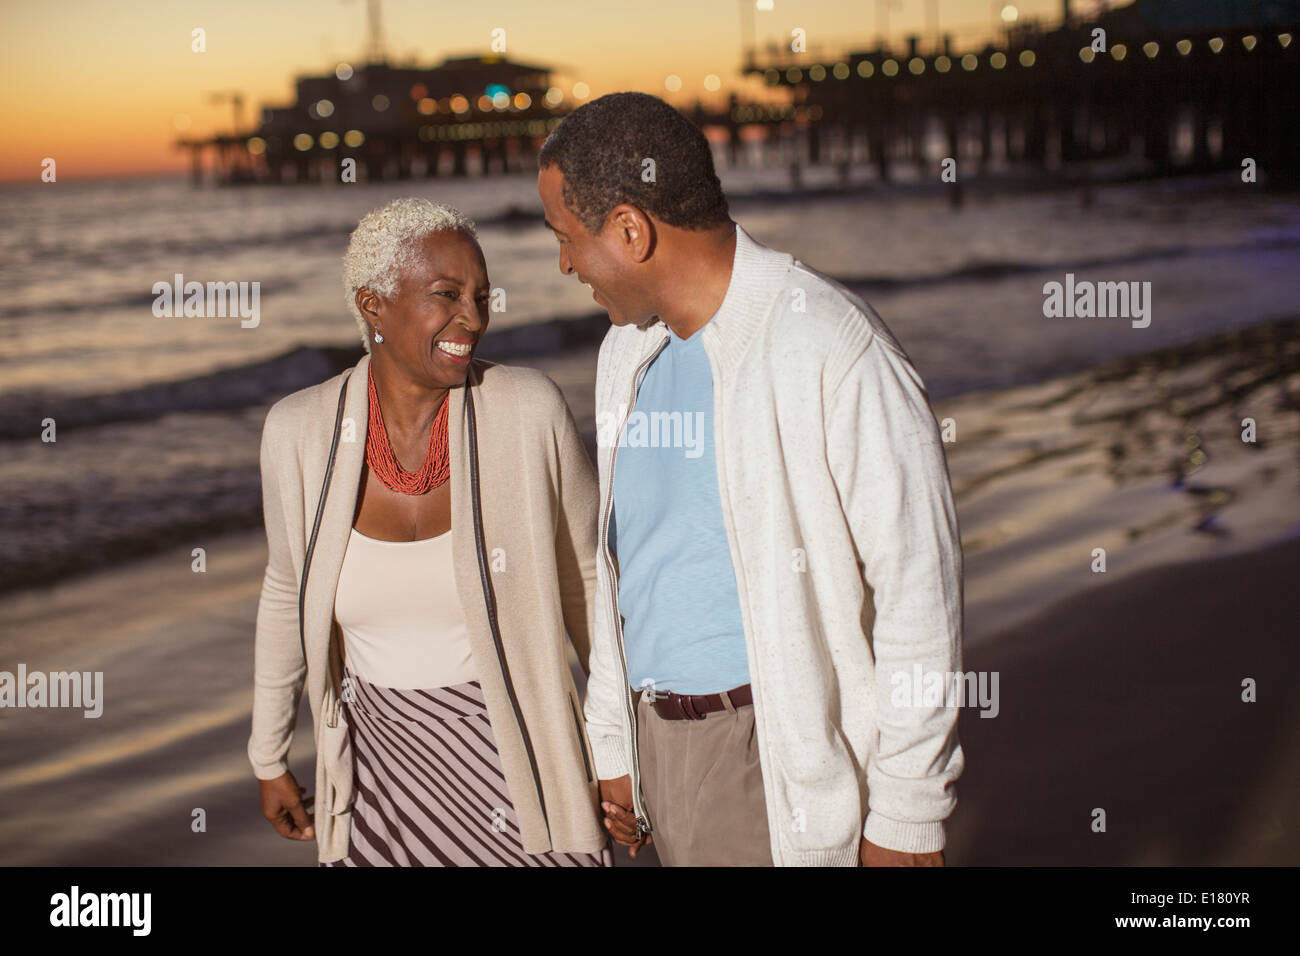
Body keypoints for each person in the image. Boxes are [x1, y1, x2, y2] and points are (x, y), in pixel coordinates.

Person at [537, 92, 966, 867]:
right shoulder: (625, 356)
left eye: (567, 238)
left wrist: (907, 812)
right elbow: (627, 576)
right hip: (660, 747)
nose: (565, 265)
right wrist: (616, 745)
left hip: (774, 756)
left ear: (630, 230)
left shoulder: (831, 347)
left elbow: (919, 595)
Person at [247, 197, 611, 867]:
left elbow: (586, 580)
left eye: (481, 295)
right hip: (377, 777)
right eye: (447, 294)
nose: (472, 318)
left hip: (522, 763)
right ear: (373, 305)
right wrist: (268, 753)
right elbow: (285, 589)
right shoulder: (298, 432)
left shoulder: (528, 411)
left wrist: (616, 750)